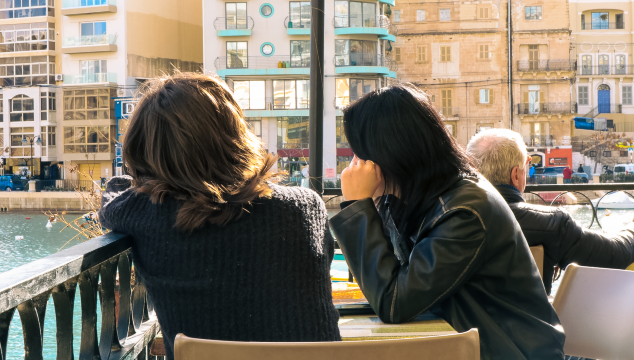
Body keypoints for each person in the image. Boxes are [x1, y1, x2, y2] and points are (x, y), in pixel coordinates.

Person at [98, 73, 341, 359]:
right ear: (236, 134)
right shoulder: (306, 206)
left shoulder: (145, 214)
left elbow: (114, 198)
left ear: (144, 150)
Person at [329, 84, 564, 360]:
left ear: (388, 152)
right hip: (470, 346)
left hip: (511, 352)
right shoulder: (422, 196)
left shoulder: (465, 211)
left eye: (360, 154)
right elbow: (395, 284)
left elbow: (394, 304)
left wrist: (358, 207)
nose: (356, 165)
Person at [467, 129, 634, 294]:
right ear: (515, 175)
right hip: (530, 320)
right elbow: (615, 256)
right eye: (527, 163)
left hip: (460, 321)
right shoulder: (552, 224)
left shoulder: (448, 218)